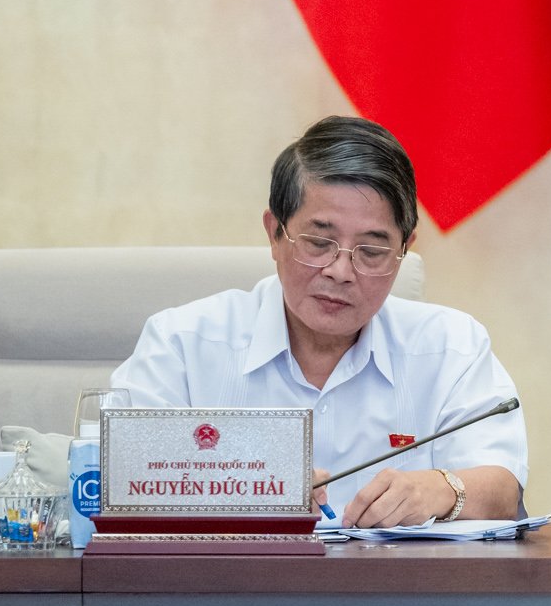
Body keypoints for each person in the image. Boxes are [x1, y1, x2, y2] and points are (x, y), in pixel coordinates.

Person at [110, 116, 527, 527]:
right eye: (319, 242)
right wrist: (241, 487)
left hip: (396, 590)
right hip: (229, 587)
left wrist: (438, 489)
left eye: (371, 251)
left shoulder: (451, 345)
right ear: (275, 233)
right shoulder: (181, 344)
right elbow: (120, 476)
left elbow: (503, 487)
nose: (341, 271)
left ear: (404, 250)